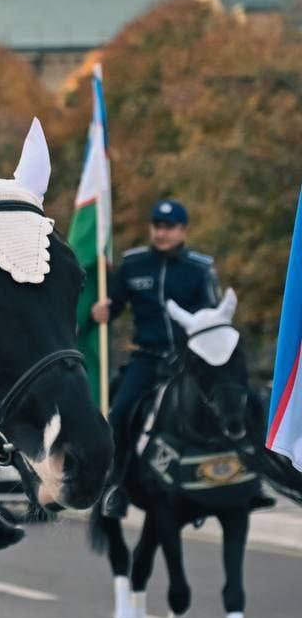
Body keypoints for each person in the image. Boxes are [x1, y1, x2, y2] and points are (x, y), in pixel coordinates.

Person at [93, 199, 220, 518]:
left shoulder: (200, 269)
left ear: (182, 230)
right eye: (157, 227)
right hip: (147, 359)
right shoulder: (133, 264)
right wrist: (104, 309)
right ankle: (116, 486)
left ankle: (224, 483)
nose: (162, 233)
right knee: (119, 413)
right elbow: (116, 303)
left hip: (189, 361)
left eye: (170, 227)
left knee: (225, 408)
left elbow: (213, 316)